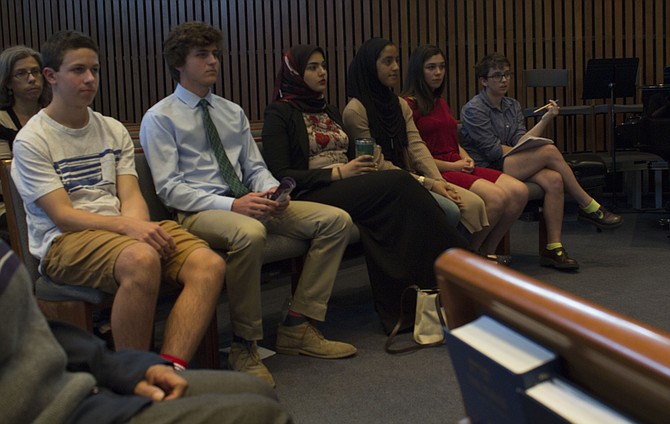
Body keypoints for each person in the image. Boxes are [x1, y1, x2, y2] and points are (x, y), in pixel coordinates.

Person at [140, 22, 356, 388]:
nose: (213, 62)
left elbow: (254, 167)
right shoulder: (160, 117)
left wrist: (274, 191)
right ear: (179, 62)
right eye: (202, 55)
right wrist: (232, 205)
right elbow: (170, 189)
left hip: (248, 202)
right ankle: (244, 344)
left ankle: (298, 326)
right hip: (199, 212)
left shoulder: (230, 111)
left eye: (215, 55)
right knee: (250, 232)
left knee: (336, 221)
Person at [11, 30, 226, 372]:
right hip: (64, 242)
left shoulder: (112, 129)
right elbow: (63, 215)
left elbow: (130, 195)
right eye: (78, 70)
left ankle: (169, 369)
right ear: (51, 76)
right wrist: (131, 229)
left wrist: (137, 226)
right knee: (141, 259)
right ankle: (134, 377)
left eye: (94, 70)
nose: (90, 79)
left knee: (208, 265)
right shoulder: (32, 139)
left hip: (121, 232)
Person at [262, 44, 470, 332]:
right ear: (294, 73)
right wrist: (338, 173)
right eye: (312, 67)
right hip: (313, 191)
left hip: (349, 183)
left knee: (396, 212)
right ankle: (465, 268)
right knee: (399, 182)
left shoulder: (329, 110)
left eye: (323, 65)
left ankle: (414, 304)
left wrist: (356, 167)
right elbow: (281, 174)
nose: (322, 72)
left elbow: (353, 154)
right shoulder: (279, 113)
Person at [0, 240, 293, 424]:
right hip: (51, 411)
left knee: (256, 390)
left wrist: (124, 368)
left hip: (74, 382)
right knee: (263, 417)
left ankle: (170, 365)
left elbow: (35, 328)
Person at [460, 53, 623, 270]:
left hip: (511, 162)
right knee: (548, 151)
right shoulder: (474, 109)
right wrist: (527, 152)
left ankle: (553, 248)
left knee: (554, 179)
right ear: (483, 81)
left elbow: (520, 140)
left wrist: (545, 120)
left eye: (507, 75)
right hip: (487, 167)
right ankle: (588, 205)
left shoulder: (512, 105)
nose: (504, 80)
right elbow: (492, 151)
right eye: (497, 76)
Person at [342, 37, 489, 237]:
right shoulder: (356, 110)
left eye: (396, 60)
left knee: (475, 204)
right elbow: (377, 164)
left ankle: (455, 260)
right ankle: (442, 263)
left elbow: (416, 145)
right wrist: (430, 184)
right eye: (387, 61)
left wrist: (439, 181)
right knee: (451, 210)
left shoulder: (398, 104)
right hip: (384, 186)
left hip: (410, 176)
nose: (395, 67)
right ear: (370, 66)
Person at [401, 45, 528, 261]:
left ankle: (488, 251)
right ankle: (469, 258)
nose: (438, 72)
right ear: (417, 71)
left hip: (456, 162)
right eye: (431, 67)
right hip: (438, 170)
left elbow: (450, 135)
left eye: (441, 67)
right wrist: (453, 166)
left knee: (519, 191)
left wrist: (464, 154)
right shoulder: (407, 105)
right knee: (497, 199)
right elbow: (414, 156)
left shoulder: (438, 101)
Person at [0, 45, 50, 156]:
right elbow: (4, 169)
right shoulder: (2, 121)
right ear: (8, 82)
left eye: (35, 71)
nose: (32, 79)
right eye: (21, 73)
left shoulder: (55, 115)